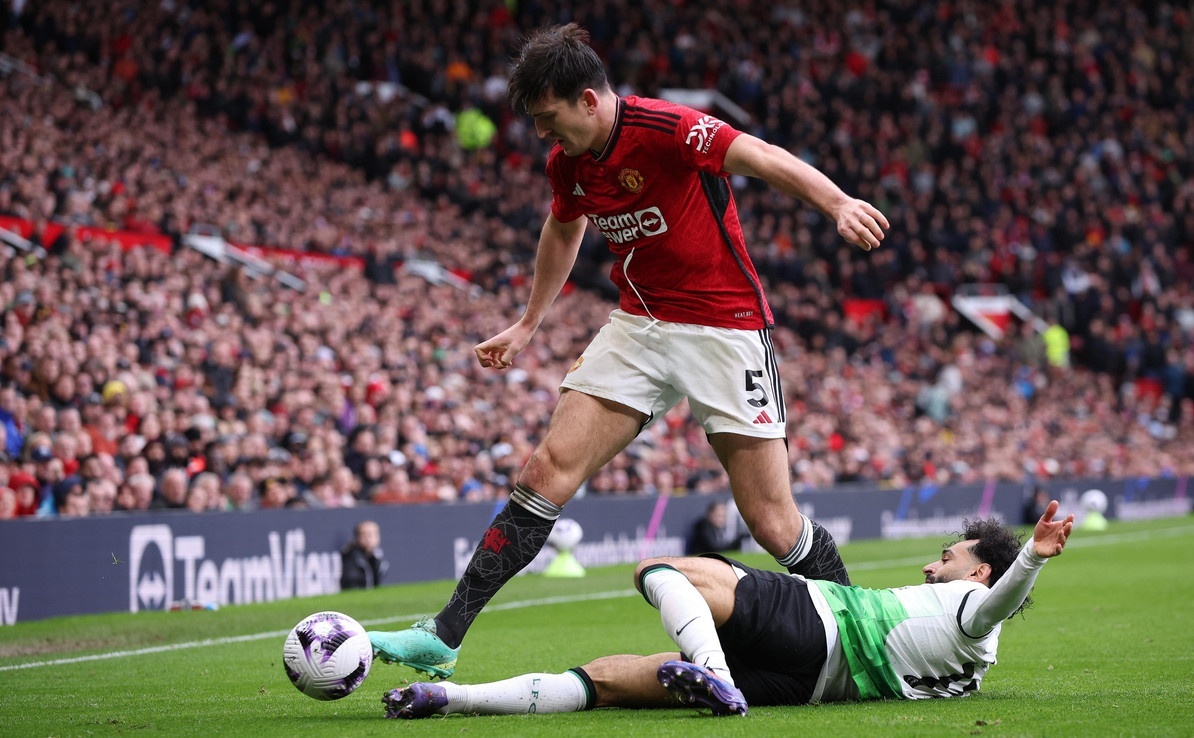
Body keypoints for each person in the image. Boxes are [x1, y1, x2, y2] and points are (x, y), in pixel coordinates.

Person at [368, 21, 889, 680]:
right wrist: (529, 322)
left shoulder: (670, 129)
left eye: (549, 118)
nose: (541, 135)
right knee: (544, 470)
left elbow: (759, 153)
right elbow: (563, 230)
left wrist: (836, 202)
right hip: (639, 324)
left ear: (589, 100)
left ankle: (870, 641)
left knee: (771, 521)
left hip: (724, 330)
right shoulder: (570, 161)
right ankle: (446, 635)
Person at [381, 501, 1074, 719]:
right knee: (610, 679)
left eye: (948, 557)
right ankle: (448, 698)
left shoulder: (973, 607)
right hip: (807, 687)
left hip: (821, 621)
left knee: (658, 569)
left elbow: (989, 611)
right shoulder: (969, 672)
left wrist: (1034, 557)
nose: (934, 564)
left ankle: (710, 669)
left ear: (980, 572)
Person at [340, 520, 389, 590]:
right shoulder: (352, 557)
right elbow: (351, 584)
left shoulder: (377, 557)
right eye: (364, 535)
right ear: (357, 538)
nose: (369, 539)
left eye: (373, 535)